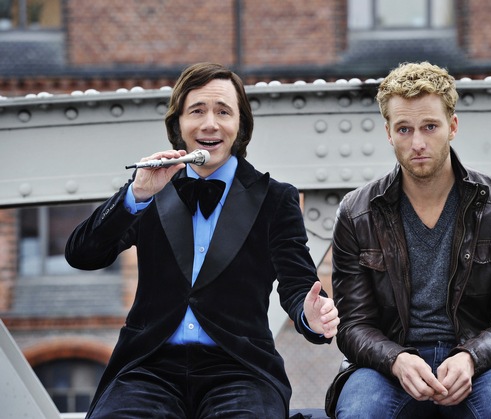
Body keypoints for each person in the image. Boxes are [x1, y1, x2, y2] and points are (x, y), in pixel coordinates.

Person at [65, 62, 339, 419]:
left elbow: (297, 283)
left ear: (240, 125)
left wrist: (309, 314)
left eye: (223, 112)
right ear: (178, 124)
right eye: (197, 111)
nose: (210, 124)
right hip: (148, 369)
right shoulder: (151, 188)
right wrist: (136, 195)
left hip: (240, 370)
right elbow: (82, 254)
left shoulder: (275, 198)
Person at [325, 61, 491, 419]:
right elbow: (353, 325)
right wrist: (396, 359)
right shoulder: (357, 212)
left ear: (452, 126)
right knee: (359, 414)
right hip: (388, 366)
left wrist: (471, 357)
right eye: (404, 129)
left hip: (484, 365)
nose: (418, 143)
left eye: (430, 126)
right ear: (388, 133)